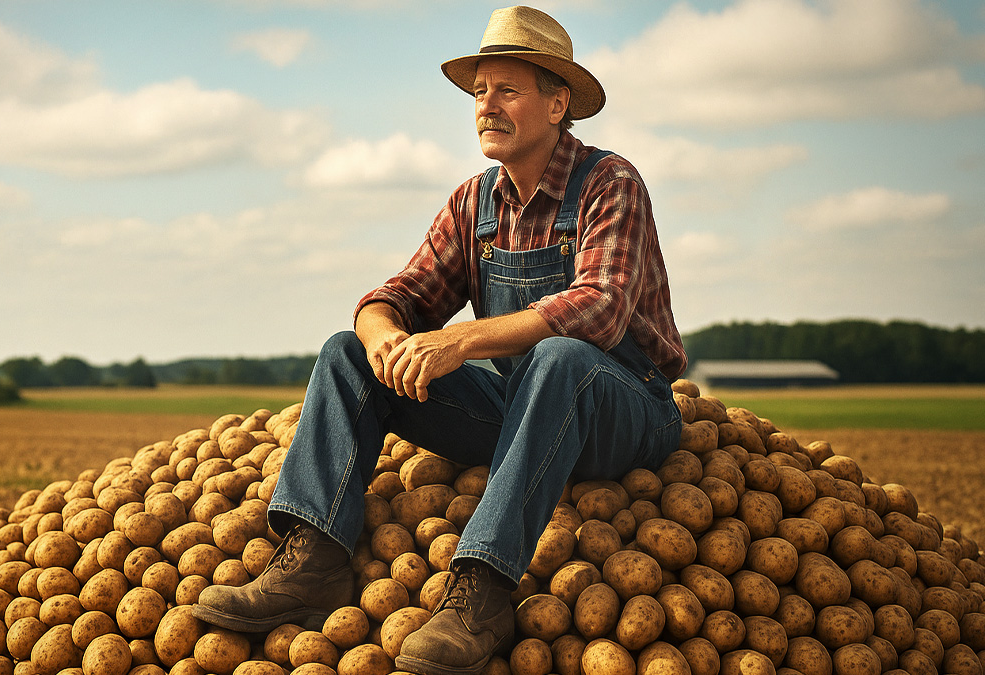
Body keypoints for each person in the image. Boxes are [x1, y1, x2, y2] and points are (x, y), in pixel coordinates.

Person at [192, 6, 687, 674]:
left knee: (561, 356)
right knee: (348, 351)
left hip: (624, 409)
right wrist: (388, 338)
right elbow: (392, 298)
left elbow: (597, 308)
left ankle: (481, 589)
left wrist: (458, 344)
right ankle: (314, 558)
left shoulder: (609, 182)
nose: (486, 106)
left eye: (507, 90)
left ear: (556, 102)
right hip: (522, 412)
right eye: (480, 92)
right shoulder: (472, 203)